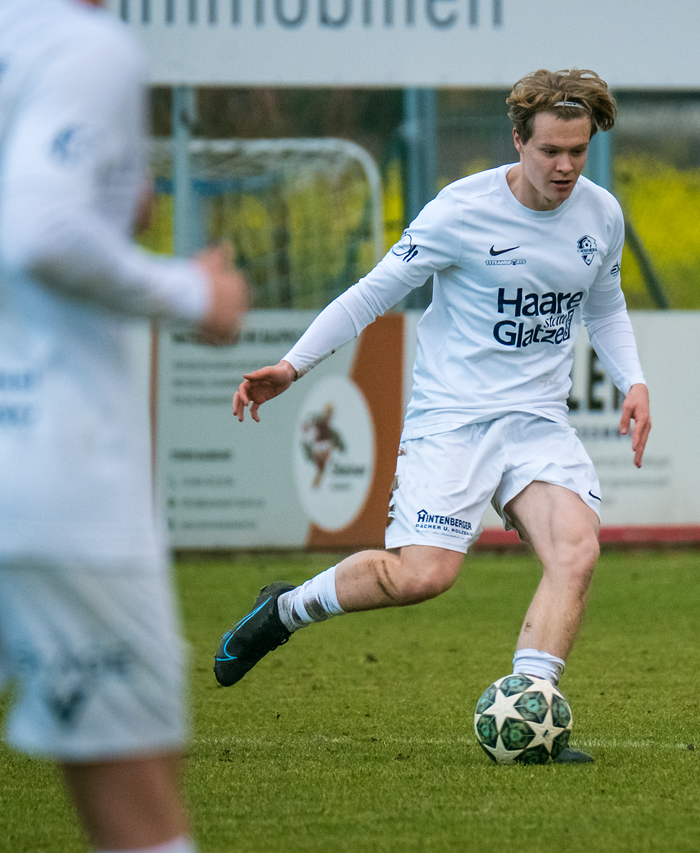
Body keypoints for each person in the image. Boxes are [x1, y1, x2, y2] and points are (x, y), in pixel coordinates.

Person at [215, 68, 650, 765]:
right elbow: (371, 294)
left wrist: (634, 381)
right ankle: (286, 608)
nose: (566, 166)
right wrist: (292, 366)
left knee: (576, 549)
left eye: (578, 151)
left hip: (536, 422)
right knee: (421, 577)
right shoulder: (461, 211)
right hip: (453, 419)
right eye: (550, 151)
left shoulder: (600, 214)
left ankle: (529, 710)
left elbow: (605, 305)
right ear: (518, 141)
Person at [0, 0, 250, 850]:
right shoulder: (85, 45)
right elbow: (40, 230)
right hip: (51, 470)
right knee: (141, 819)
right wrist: (192, 291)